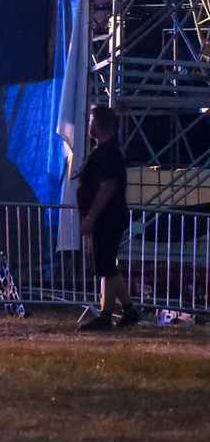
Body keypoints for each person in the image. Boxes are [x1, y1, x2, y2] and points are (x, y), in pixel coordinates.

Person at [77, 105, 142, 331]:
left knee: (106, 266)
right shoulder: (106, 150)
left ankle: (105, 316)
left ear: (98, 123)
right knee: (106, 265)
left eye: (90, 120)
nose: (88, 125)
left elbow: (107, 188)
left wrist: (91, 217)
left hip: (107, 217)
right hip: (107, 216)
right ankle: (129, 310)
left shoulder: (109, 153)